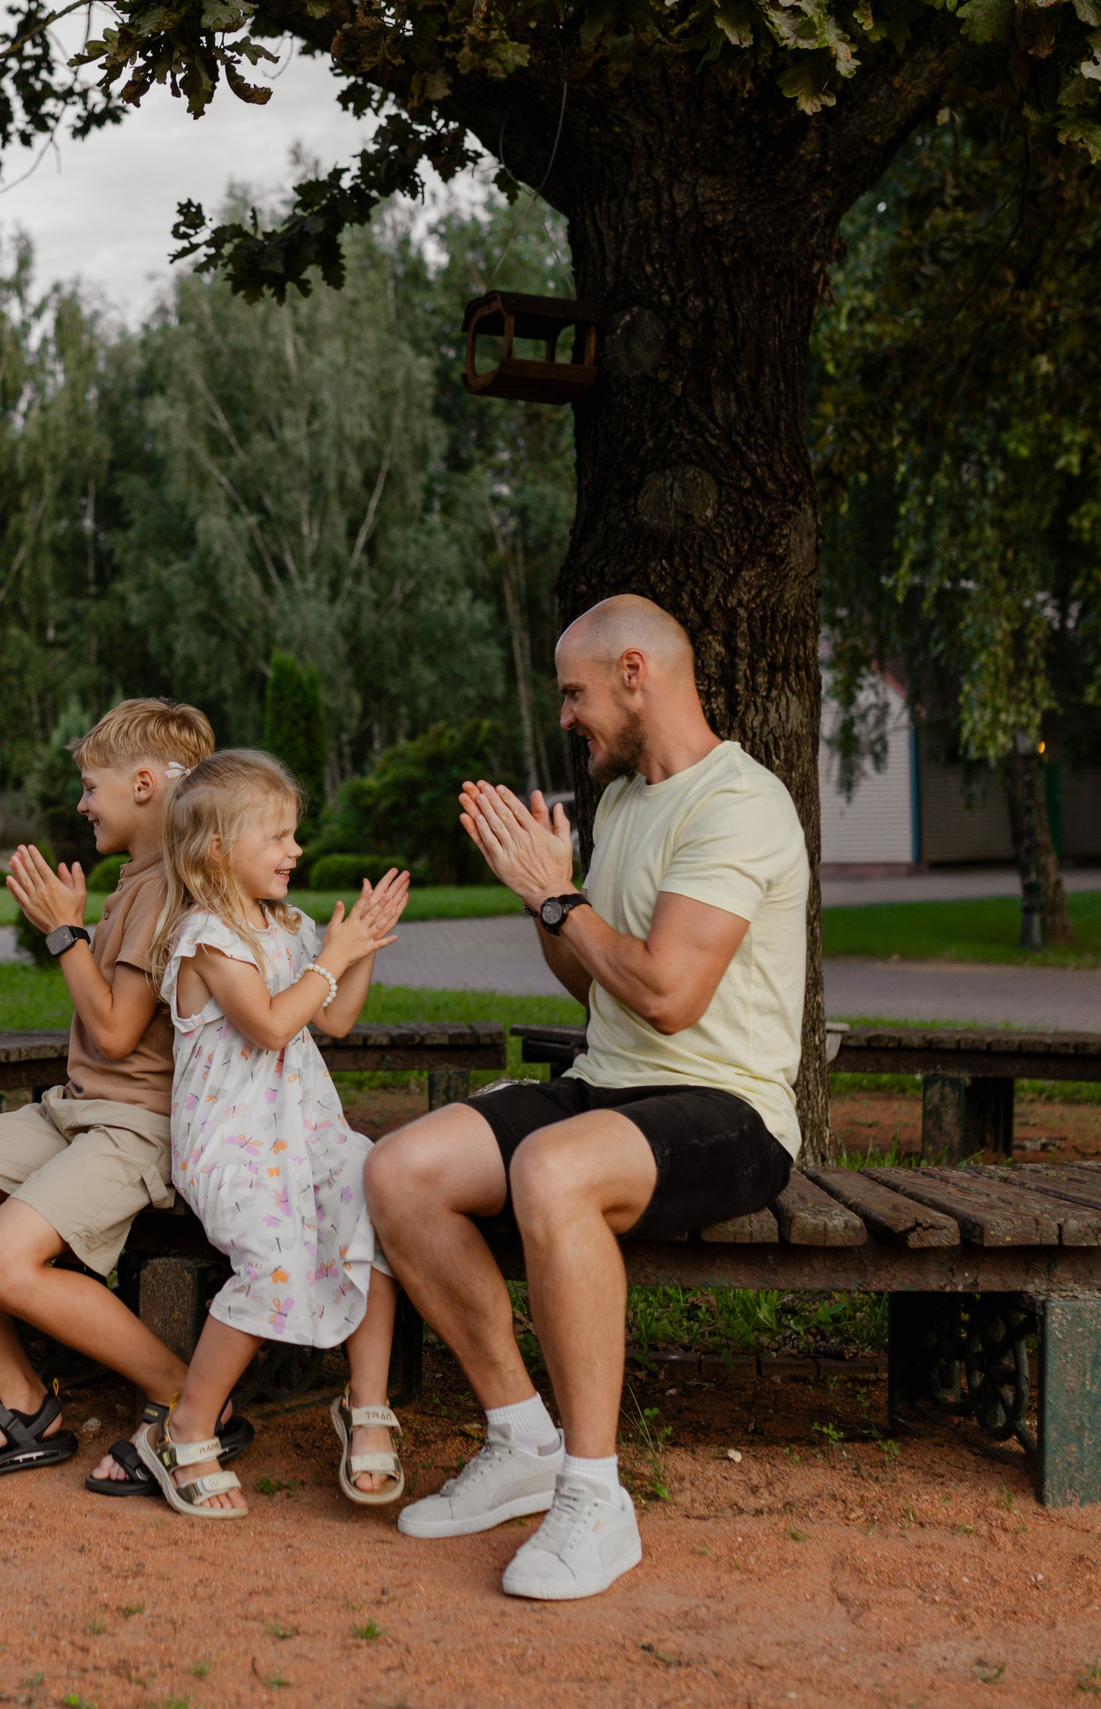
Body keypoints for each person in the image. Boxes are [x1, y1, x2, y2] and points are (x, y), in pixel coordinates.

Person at [366, 594, 807, 1597]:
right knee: (399, 1170)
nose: (566, 715)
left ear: (636, 671)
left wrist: (558, 898)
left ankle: (595, 1497)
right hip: (608, 1081)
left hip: (726, 1104)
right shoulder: (621, 801)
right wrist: (545, 900)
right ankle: (520, 1435)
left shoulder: (737, 801)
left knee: (551, 1167)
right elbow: (598, 981)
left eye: (575, 691)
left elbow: (669, 991)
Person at [0, 700, 251, 1487]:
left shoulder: (172, 888)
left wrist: (64, 934)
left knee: (2, 1258)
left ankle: (192, 1402)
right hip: (77, 1108)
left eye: (92, 786)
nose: (82, 803)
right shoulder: (137, 880)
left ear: (147, 784)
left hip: (136, 1127)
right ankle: (23, 1400)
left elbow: (118, 1032)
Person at [137, 749, 414, 1518]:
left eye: (296, 835)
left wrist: (354, 951)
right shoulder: (207, 935)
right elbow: (267, 1025)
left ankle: (366, 1405)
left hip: (307, 1131)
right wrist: (329, 959)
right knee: (275, 1263)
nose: (296, 850)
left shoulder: (283, 925)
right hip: (231, 1143)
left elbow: (333, 1017)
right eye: (280, 836)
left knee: (374, 1208)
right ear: (219, 849)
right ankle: (185, 1427)